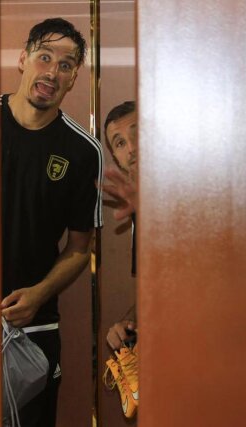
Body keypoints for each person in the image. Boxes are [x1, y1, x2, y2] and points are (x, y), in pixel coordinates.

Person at [0, 18, 104, 427]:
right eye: (44, 57)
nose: (52, 72)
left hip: (34, 326)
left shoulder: (83, 151)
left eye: (65, 65)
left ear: (74, 78)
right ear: (23, 59)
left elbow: (80, 248)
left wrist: (38, 294)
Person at [102, 101, 138, 350]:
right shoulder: (140, 205)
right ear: (115, 157)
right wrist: (129, 323)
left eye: (138, 135)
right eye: (120, 143)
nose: (132, 149)